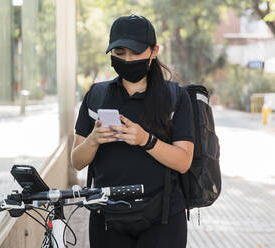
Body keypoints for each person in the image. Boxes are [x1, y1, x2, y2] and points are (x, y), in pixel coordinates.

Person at [71, 14, 194, 248]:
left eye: (136, 52)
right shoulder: (96, 96)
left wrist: (145, 140)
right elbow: (76, 161)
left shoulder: (176, 98)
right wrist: (94, 140)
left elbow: (183, 161)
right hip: (107, 217)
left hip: (163, 218)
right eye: (119, 54)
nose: (127, 59)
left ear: (154, 51)